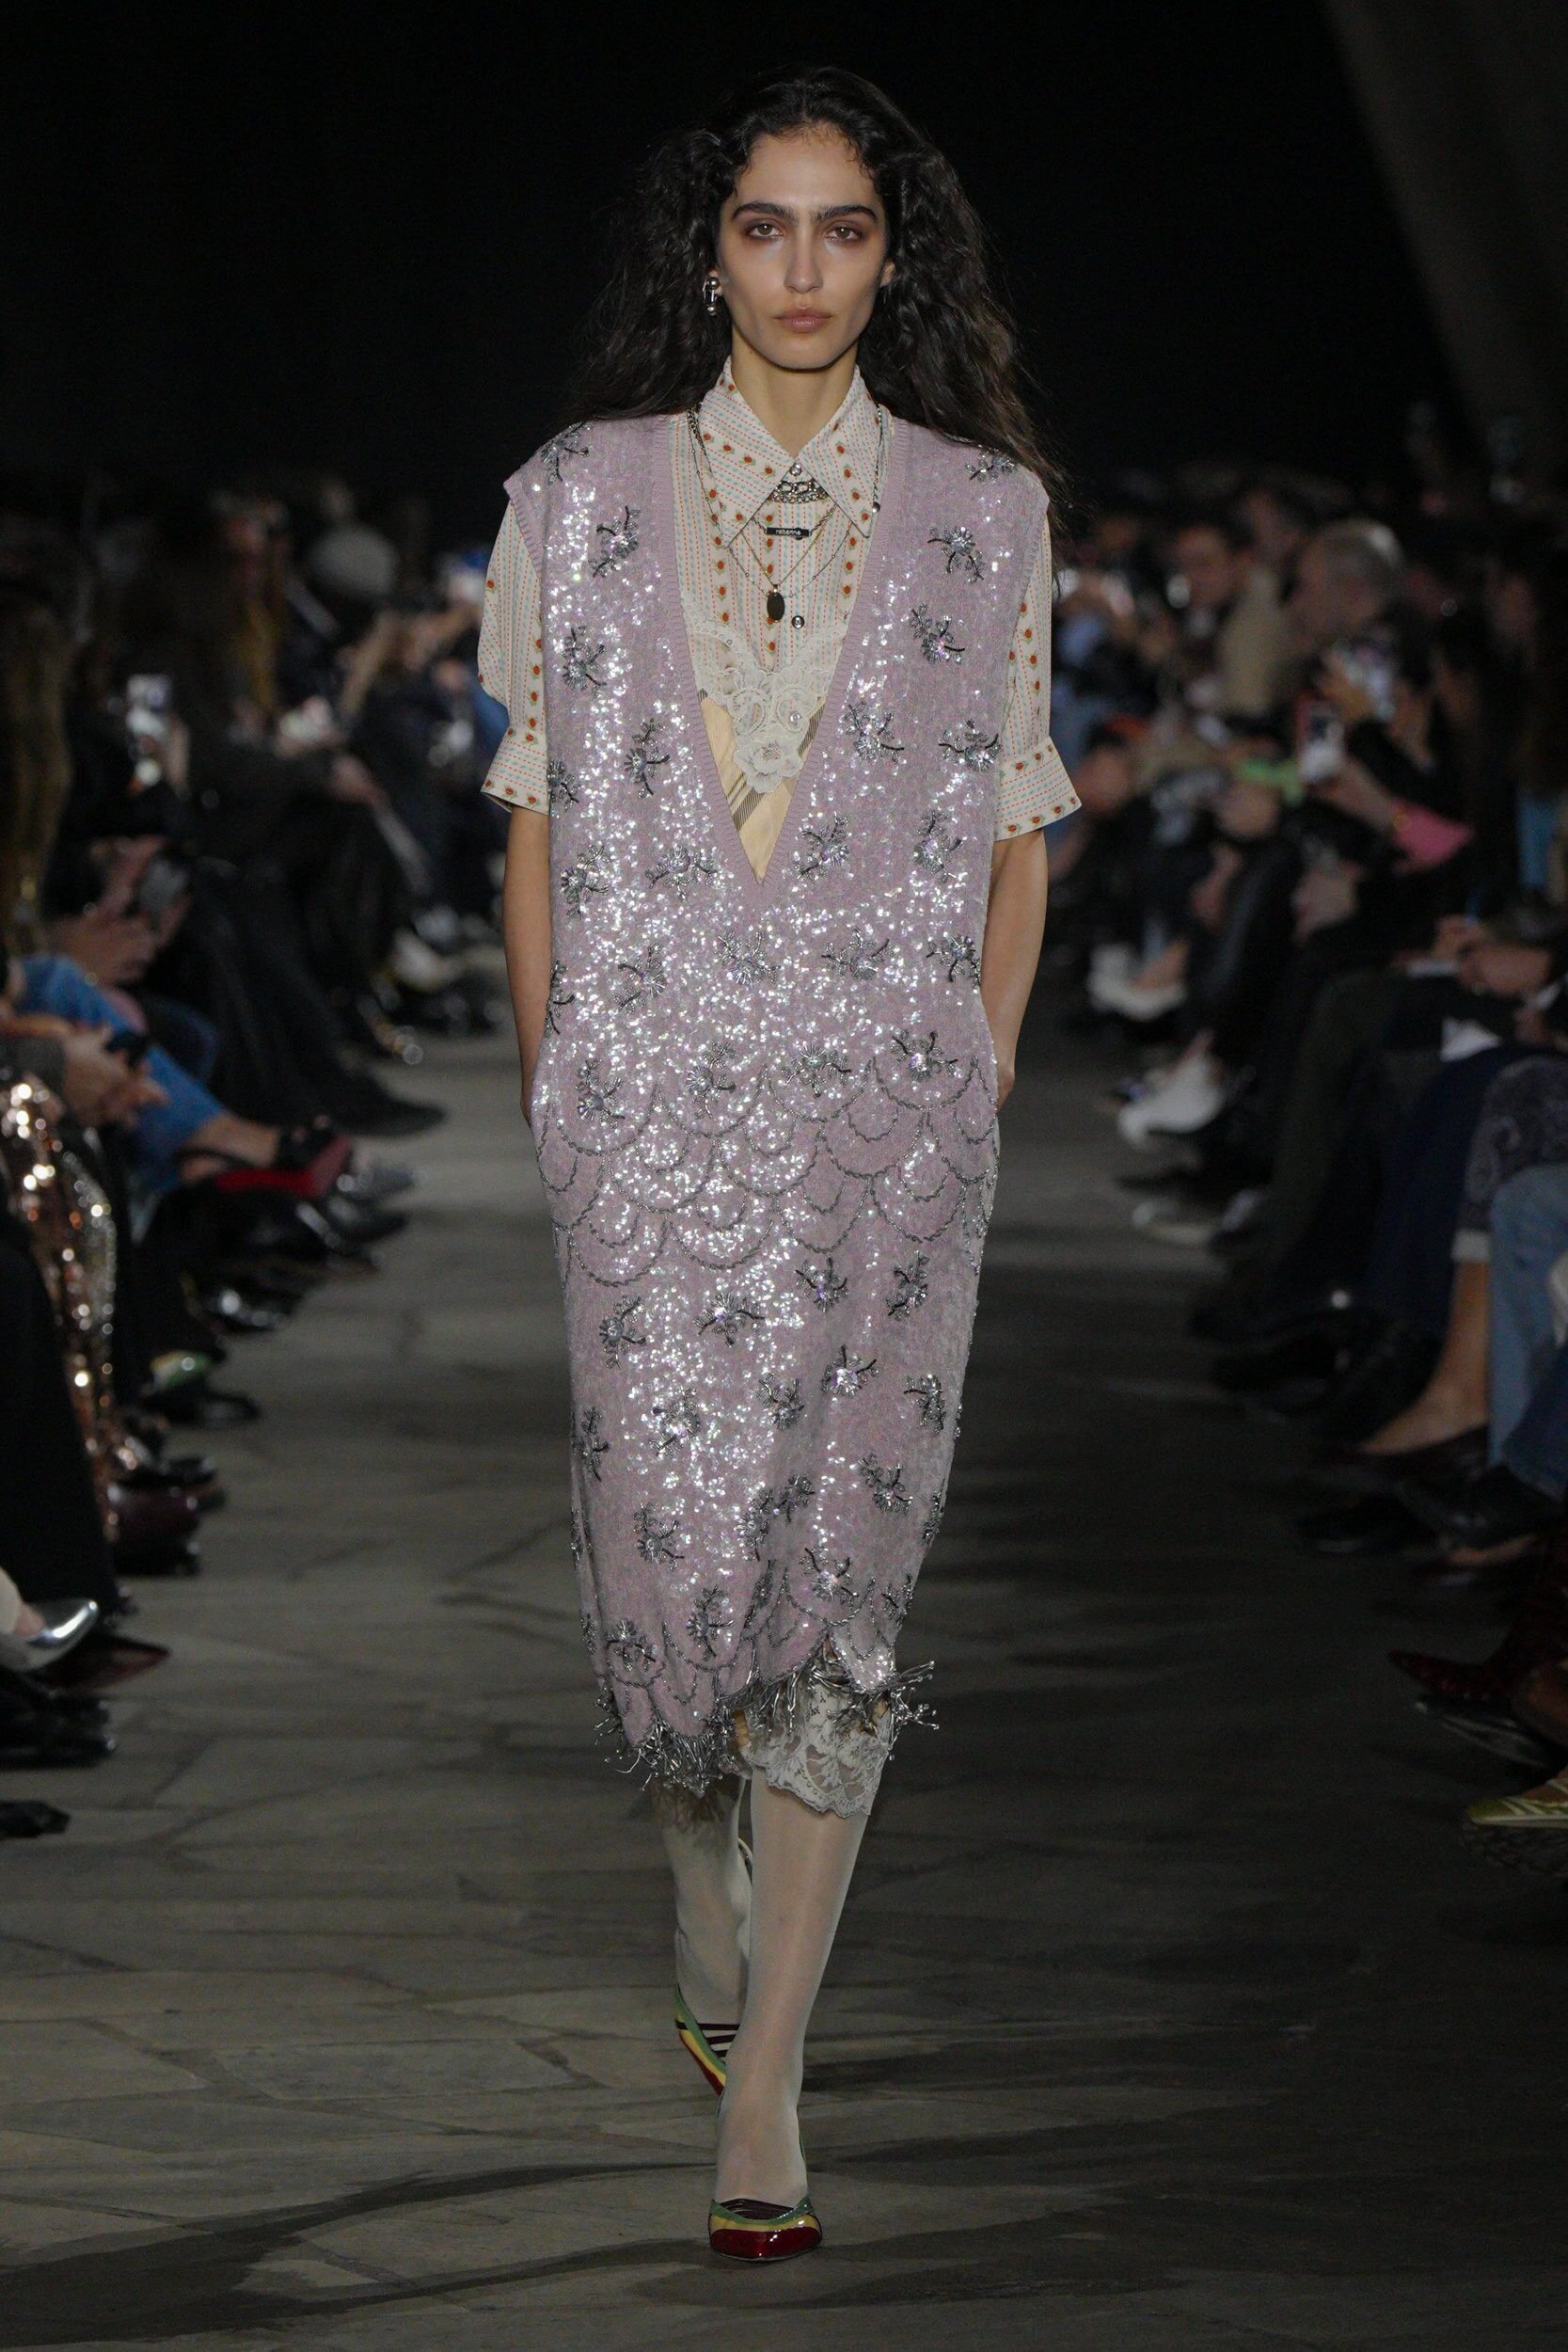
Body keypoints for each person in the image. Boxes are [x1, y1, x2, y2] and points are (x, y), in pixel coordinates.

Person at [481, 68, 1077, 2259]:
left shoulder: (988, 510)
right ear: (709, 251)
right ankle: (692, 1869)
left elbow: (1018, 810)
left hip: (886, 1124)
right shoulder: (578, 494)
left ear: (894, 256)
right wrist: (557, 1082)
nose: (804, 268)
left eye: (843, 228)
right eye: (765, 227)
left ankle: (774, 2087)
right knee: (664, 1556)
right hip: (644, 1112)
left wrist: (979, 1062)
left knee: (841, 1577)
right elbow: (536, 810)